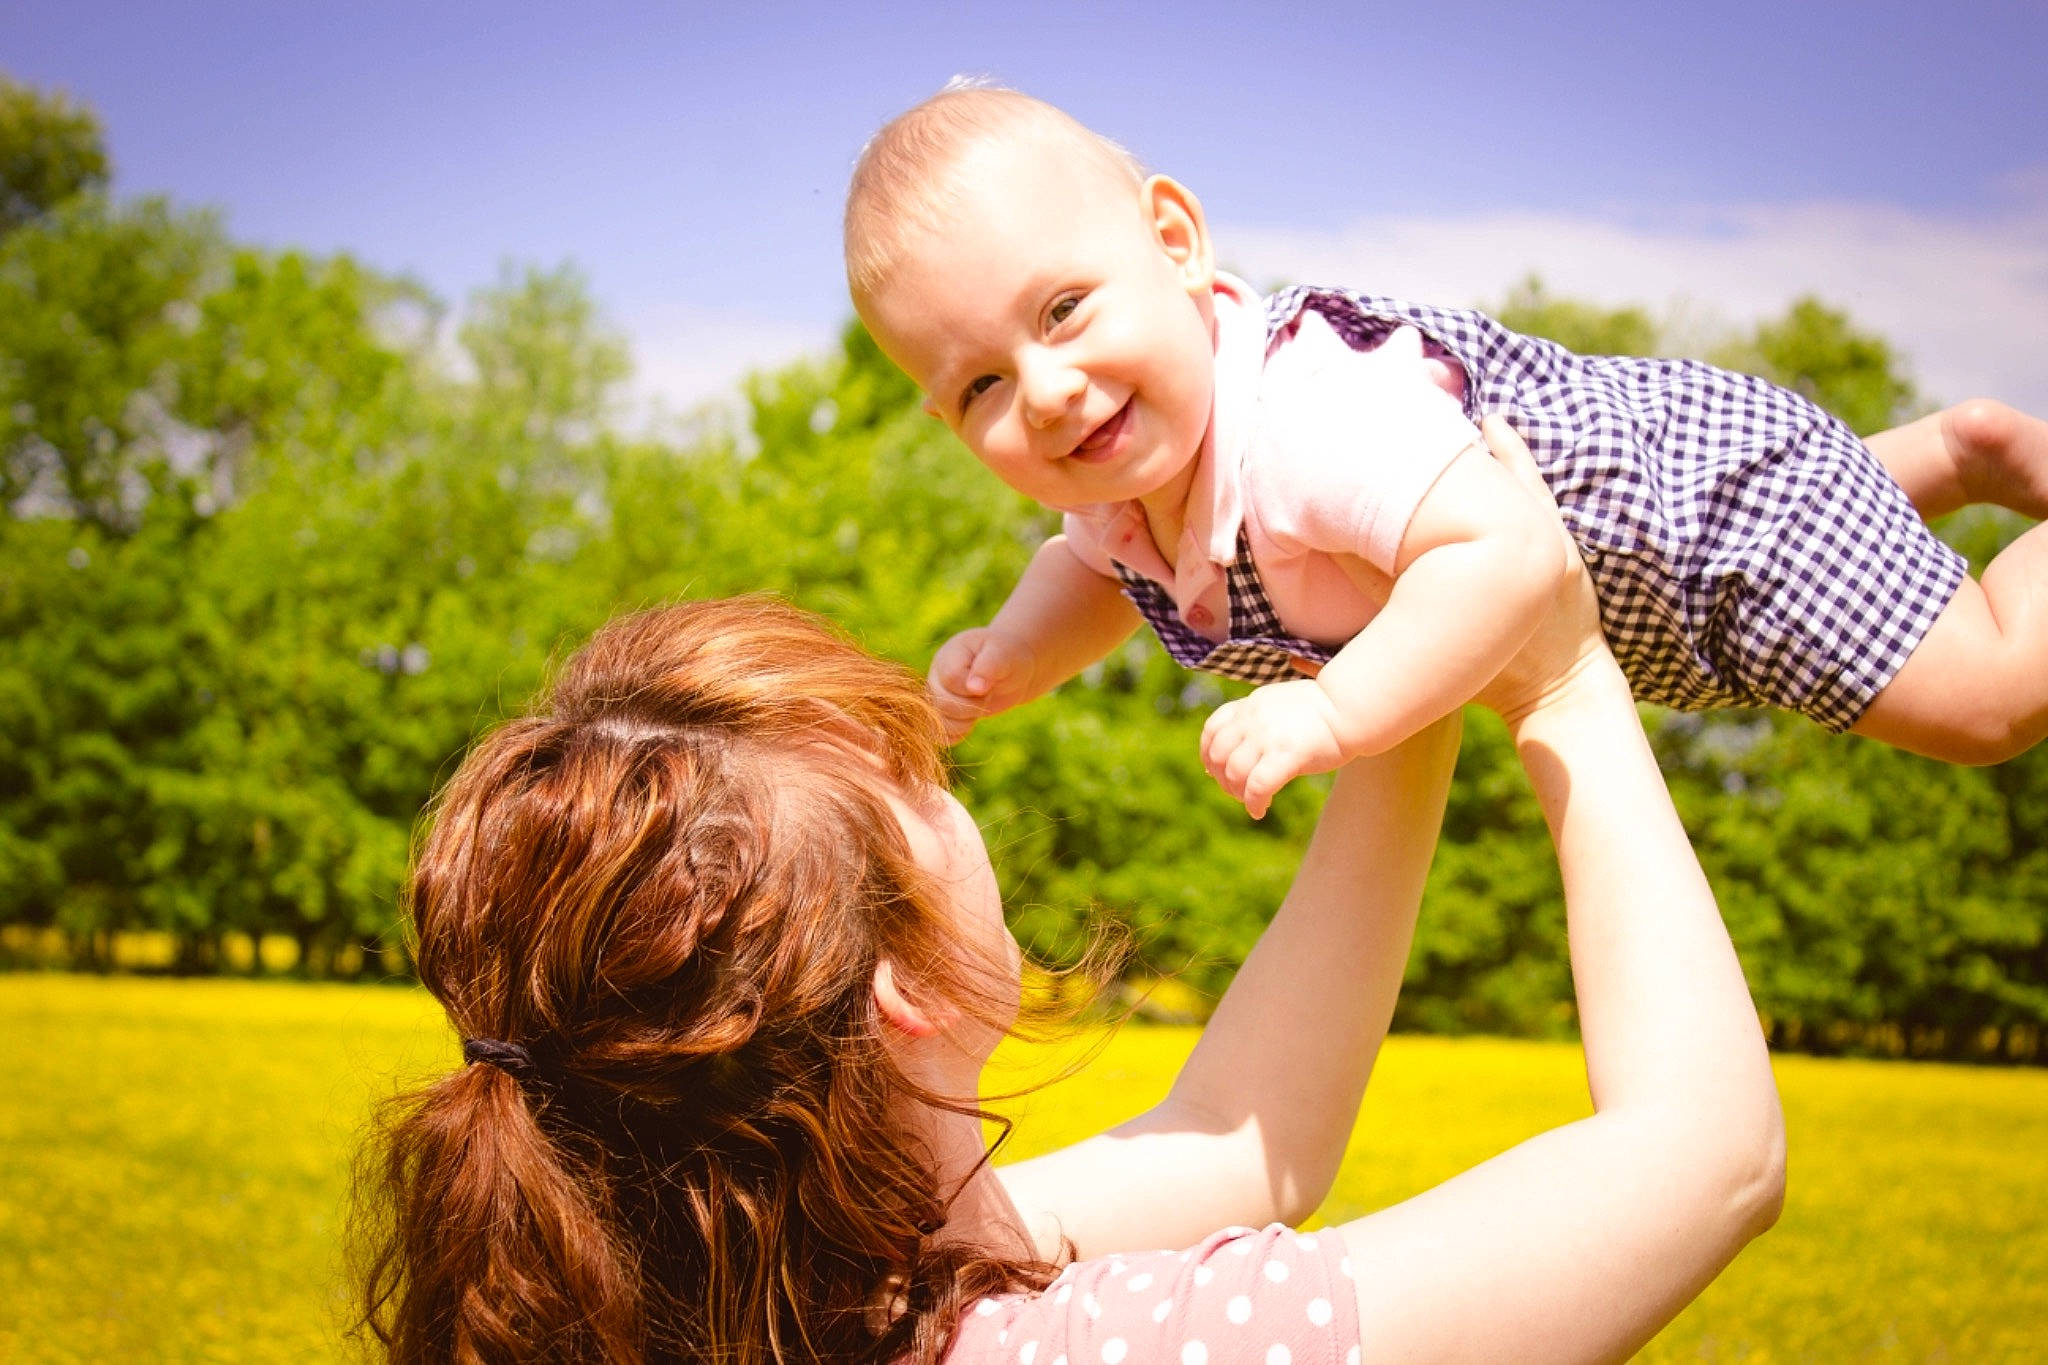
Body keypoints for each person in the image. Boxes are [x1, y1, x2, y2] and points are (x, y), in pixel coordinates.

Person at [354, 419, 1785, 1364]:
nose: (956, 797)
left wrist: (1383, 705)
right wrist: (1567, 679)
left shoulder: (791, 1291)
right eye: (923, 788)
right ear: (900, 990)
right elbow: (1704, 1159)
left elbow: (1246, 1150)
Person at [845, 84, 2048, 818]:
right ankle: (1946, 455)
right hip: (1682, 562)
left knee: (1986, 701)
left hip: (1727, 520)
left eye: (1061, 311)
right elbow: (1096, 577)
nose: (1047, 392)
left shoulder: (1300, 417)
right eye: (983, 384)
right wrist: (1011, 653)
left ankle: (1981, 514)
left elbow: (1504, 552)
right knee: (1775, 569)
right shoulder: (1130, 495)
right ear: (945, 425)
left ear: (1173, 242)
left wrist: (1333, 716)